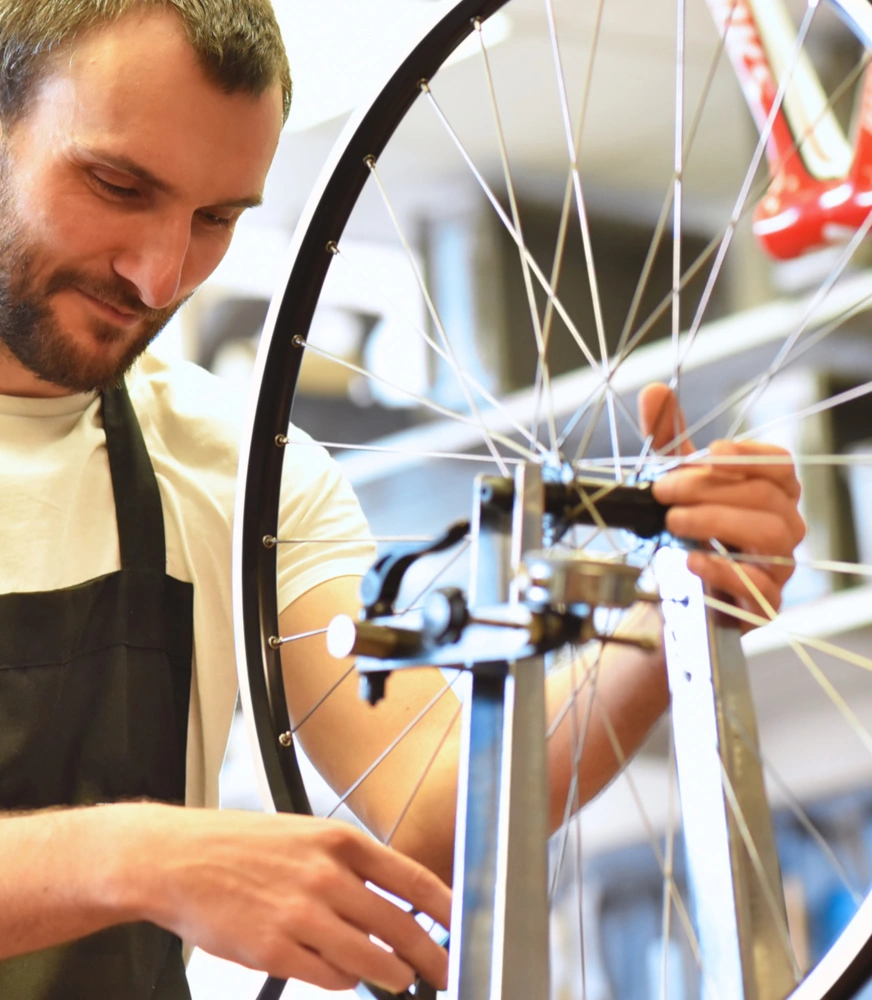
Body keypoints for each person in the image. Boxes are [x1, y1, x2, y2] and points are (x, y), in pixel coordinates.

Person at [0, 1, 807, 997]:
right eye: (118, 185)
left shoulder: (237, 473)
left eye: (216, 220)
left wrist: (676, 607)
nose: (162, 273)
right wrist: (138, 858)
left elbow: (431, 800)